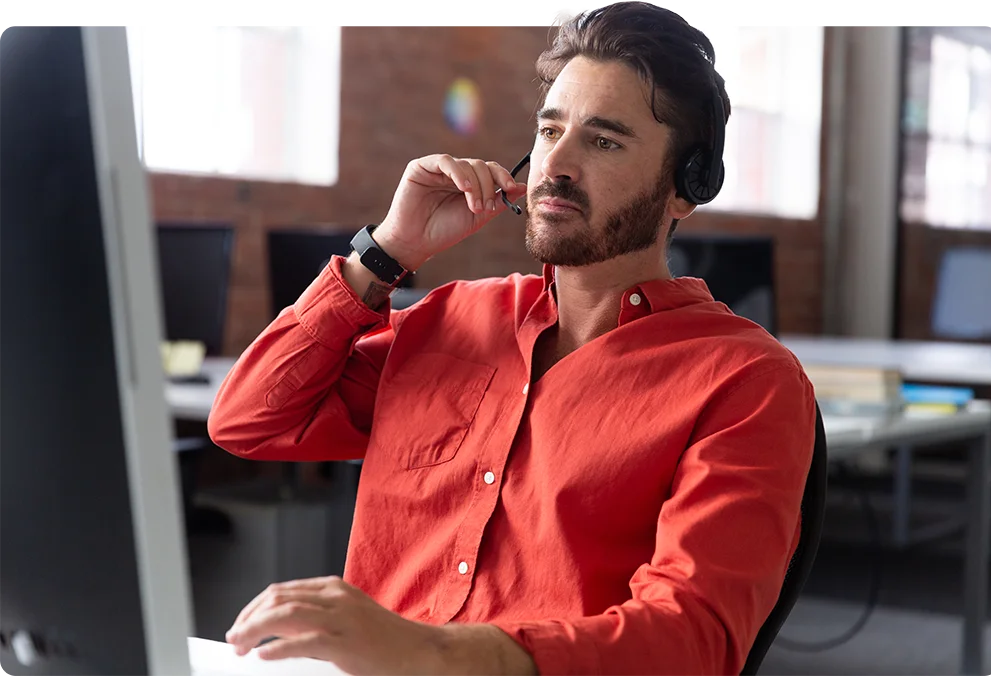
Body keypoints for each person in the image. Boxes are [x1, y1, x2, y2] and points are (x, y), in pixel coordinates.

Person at [209, 2, 817, 674]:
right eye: (549, 130)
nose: (556, 164)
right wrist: (383, 254)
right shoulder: (452, 320)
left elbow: (693, 641)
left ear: (686, 187)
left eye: (604, 140)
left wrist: (431, 653)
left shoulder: (745, 381)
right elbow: (248, 422)